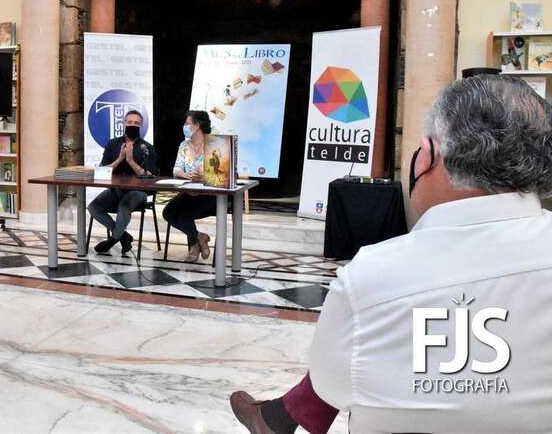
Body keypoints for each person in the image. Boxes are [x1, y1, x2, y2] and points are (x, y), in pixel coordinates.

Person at [230, 74, 552, 433]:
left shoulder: (370, 275)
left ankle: (274, 419)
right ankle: (274, 418)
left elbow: (328, 386)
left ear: (429, 155)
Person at [88, 110, 158, 255]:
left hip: (138, 192)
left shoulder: (146, 148)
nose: (133, 125)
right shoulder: (113, 144)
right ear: (124, 124)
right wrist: (119, 160)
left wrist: (131, 161)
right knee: (94, 207)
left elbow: (151, 176)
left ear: (141, 126)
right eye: (130, 122)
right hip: (116, 190)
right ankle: (123, 236)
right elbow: (103, 170)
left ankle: (112, 240)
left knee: (124, 205)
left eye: (136, 123)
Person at [163, 110, 216, 262]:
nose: (184, 126)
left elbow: (221, 173)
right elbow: (176, 169)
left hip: (209, 194)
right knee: (168, 212)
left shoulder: (214, 144)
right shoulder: (184, 145)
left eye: (187, 124)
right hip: (189, 191)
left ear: (197, 126)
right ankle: (200, 237)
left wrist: (204, 175)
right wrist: (184, 174)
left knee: (184, 215)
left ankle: (194, 245)